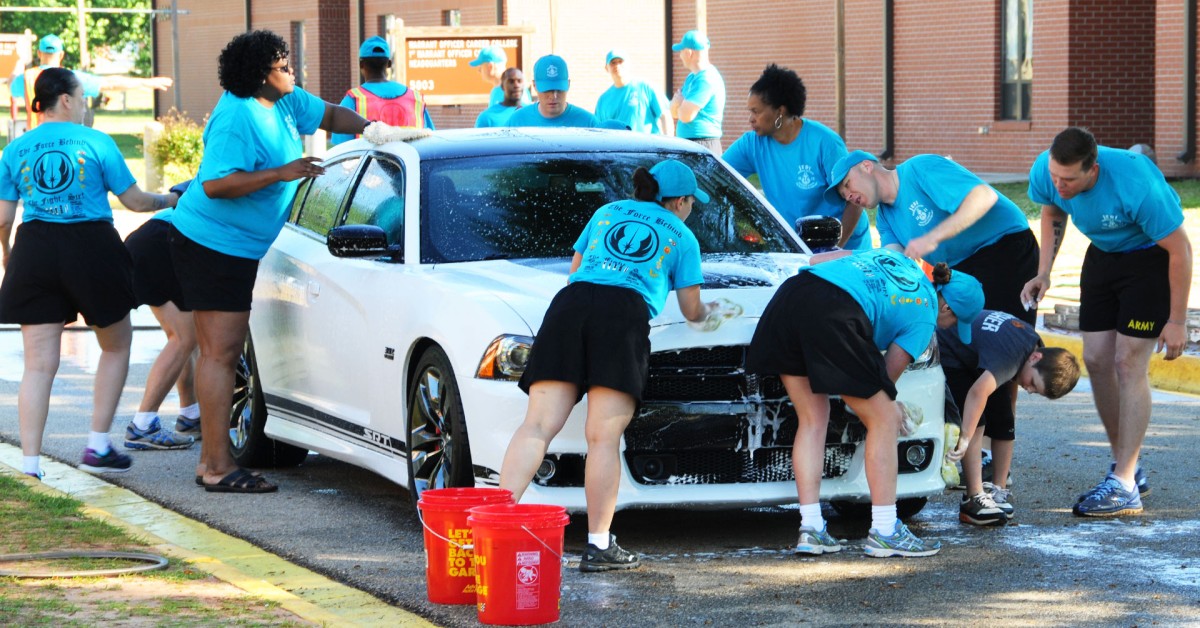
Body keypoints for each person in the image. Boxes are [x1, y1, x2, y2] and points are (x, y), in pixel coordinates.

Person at [169, 30, 370, 493]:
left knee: (219, 353)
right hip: (212, 244)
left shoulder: (283, 100)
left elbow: (333, 114)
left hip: (234, 246)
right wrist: (282, 173)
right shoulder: (237, 116)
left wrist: (374, 129)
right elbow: (217, 184)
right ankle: (217, 467)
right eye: (284, 66)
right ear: (262, 75)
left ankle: (210, 461)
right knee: (220, 354)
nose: (293, 72)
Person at [499, 160, 717, 572]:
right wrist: (715, 313)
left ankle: (492, 525)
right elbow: (692, 310)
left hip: (570, 307)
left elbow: (576, 270)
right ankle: (599, 545)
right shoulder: (683, 237)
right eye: (691, 202)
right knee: (602, 438)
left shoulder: (607, 213)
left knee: (537, 426)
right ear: (682, 201)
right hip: (622, 317)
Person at [0, 68, 180, 479]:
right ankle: (97, 445)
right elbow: (134, 202)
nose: (85, 106)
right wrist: (172, 197)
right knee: (116, 345)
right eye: (82, 98)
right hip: (92, 247)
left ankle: (29, 465)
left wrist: (9, 255)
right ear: (65, 99)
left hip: (36, 249)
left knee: (38, 365)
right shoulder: (97, 141)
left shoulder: (16, 148)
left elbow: (3, 219)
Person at [748, 250, 984, 558]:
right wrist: (892, 407)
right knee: (884, 419)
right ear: (948, 306)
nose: (948, 327)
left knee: (813, 419)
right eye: (954, 321)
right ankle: (885, 531)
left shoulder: (896, 258)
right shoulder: (925, 313)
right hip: (836, 311)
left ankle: (812, 529)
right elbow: (885, 379)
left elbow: (815, 262)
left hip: (790, 299)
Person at [1022, 127, 1193, 517]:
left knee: (1127, 363)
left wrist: (1177, 320)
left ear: (1093, 170)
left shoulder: (1137, 182)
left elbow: (1180, 249)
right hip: (1102, 257)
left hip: (1149, 261)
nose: (1059, 185)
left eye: (1069, 180)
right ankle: (1125, 465)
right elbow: (1051, 212)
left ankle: (1125, 482)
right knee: (1097, 360)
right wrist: (1044, 272)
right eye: (1055, 176)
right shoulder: (1047, 172)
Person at [941, 309, 1080, 525]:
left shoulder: (1033, 344)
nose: (1030, 390)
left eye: (1036, 390)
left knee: (1004, 420)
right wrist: (965, 436)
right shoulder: (1011, 357)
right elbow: (977, 392)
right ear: (1036, 357)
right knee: (977, 423)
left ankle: (998, 489)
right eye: (1033, 383)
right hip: (950, 353)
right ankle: (973, 497)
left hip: (977, 356)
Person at [722, 64, 867, 249]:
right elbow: (714, 174)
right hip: (799, 249)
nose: (750, 118)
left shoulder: (825, 143)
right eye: (750, 111)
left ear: (780, 112)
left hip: (846, 249)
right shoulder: (752, 144)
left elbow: (856, 200)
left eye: (756, 111)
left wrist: (836, 248)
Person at [123, 202, 200, 451]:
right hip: (163, 242)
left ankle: (190, 416)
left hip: (153, 238)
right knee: (183, 338)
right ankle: (142, 425)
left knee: (185, 337)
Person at [24, 34, 173, 129]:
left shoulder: (27, 77)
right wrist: (145, 82)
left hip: (34, 139)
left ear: (38, 53)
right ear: (61, 54)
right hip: (67, 141)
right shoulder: (70, 78)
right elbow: (110, 83)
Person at [331, 36, 434, 145]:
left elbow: (340, 148)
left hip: (369, 162)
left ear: (361, 64)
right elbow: (431, 140)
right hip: (411, 162)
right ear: (389, 64)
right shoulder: (415, 98)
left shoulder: (353, 100)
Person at [506, 55, 599, 128]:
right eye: (547, 90)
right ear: (535, 86)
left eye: (559, 90)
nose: (553, 96)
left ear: (568, 85)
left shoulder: (589, 123)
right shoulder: (517, 121)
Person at [669, 31, 725, 152]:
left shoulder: (706, 79)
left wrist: (679, 103)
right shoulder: (692, 77)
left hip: (703, 144)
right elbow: (673, 112)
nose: (680, 56)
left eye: (681, 52)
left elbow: (685, 116)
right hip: (691, 143)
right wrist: (679, 104)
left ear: (689, 53)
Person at [594, 50, 672, 135]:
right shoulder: (603, 99)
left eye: (620, 62)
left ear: (628, 64)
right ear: (606, 68)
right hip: (616, 146)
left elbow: (665, 116)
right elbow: (599, 129)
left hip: (646, 145)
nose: (617, 65)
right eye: (613, 63)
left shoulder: (645, 88)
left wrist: (670, 143)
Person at [469, 45, 534, 107]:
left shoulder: (509, 90)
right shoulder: (500, 90)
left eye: (480, 68)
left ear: (490, 67)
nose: (479, 71)